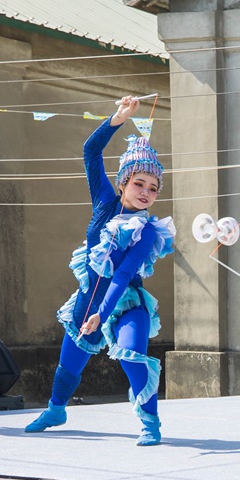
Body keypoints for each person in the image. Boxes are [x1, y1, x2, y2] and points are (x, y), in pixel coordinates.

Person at [25, 96, 175, 445]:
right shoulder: (104, 203)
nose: (146, 192)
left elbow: (122, 277)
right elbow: (91, 152)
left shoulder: (148, 230)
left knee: (133, 356)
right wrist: (118, 118)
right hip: (86, 301)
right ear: (123, 183)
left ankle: (150, 422)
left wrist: (102, 314)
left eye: (153, 188)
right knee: (69, 365)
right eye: (140, 184)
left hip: (124, 304)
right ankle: (56, 410)